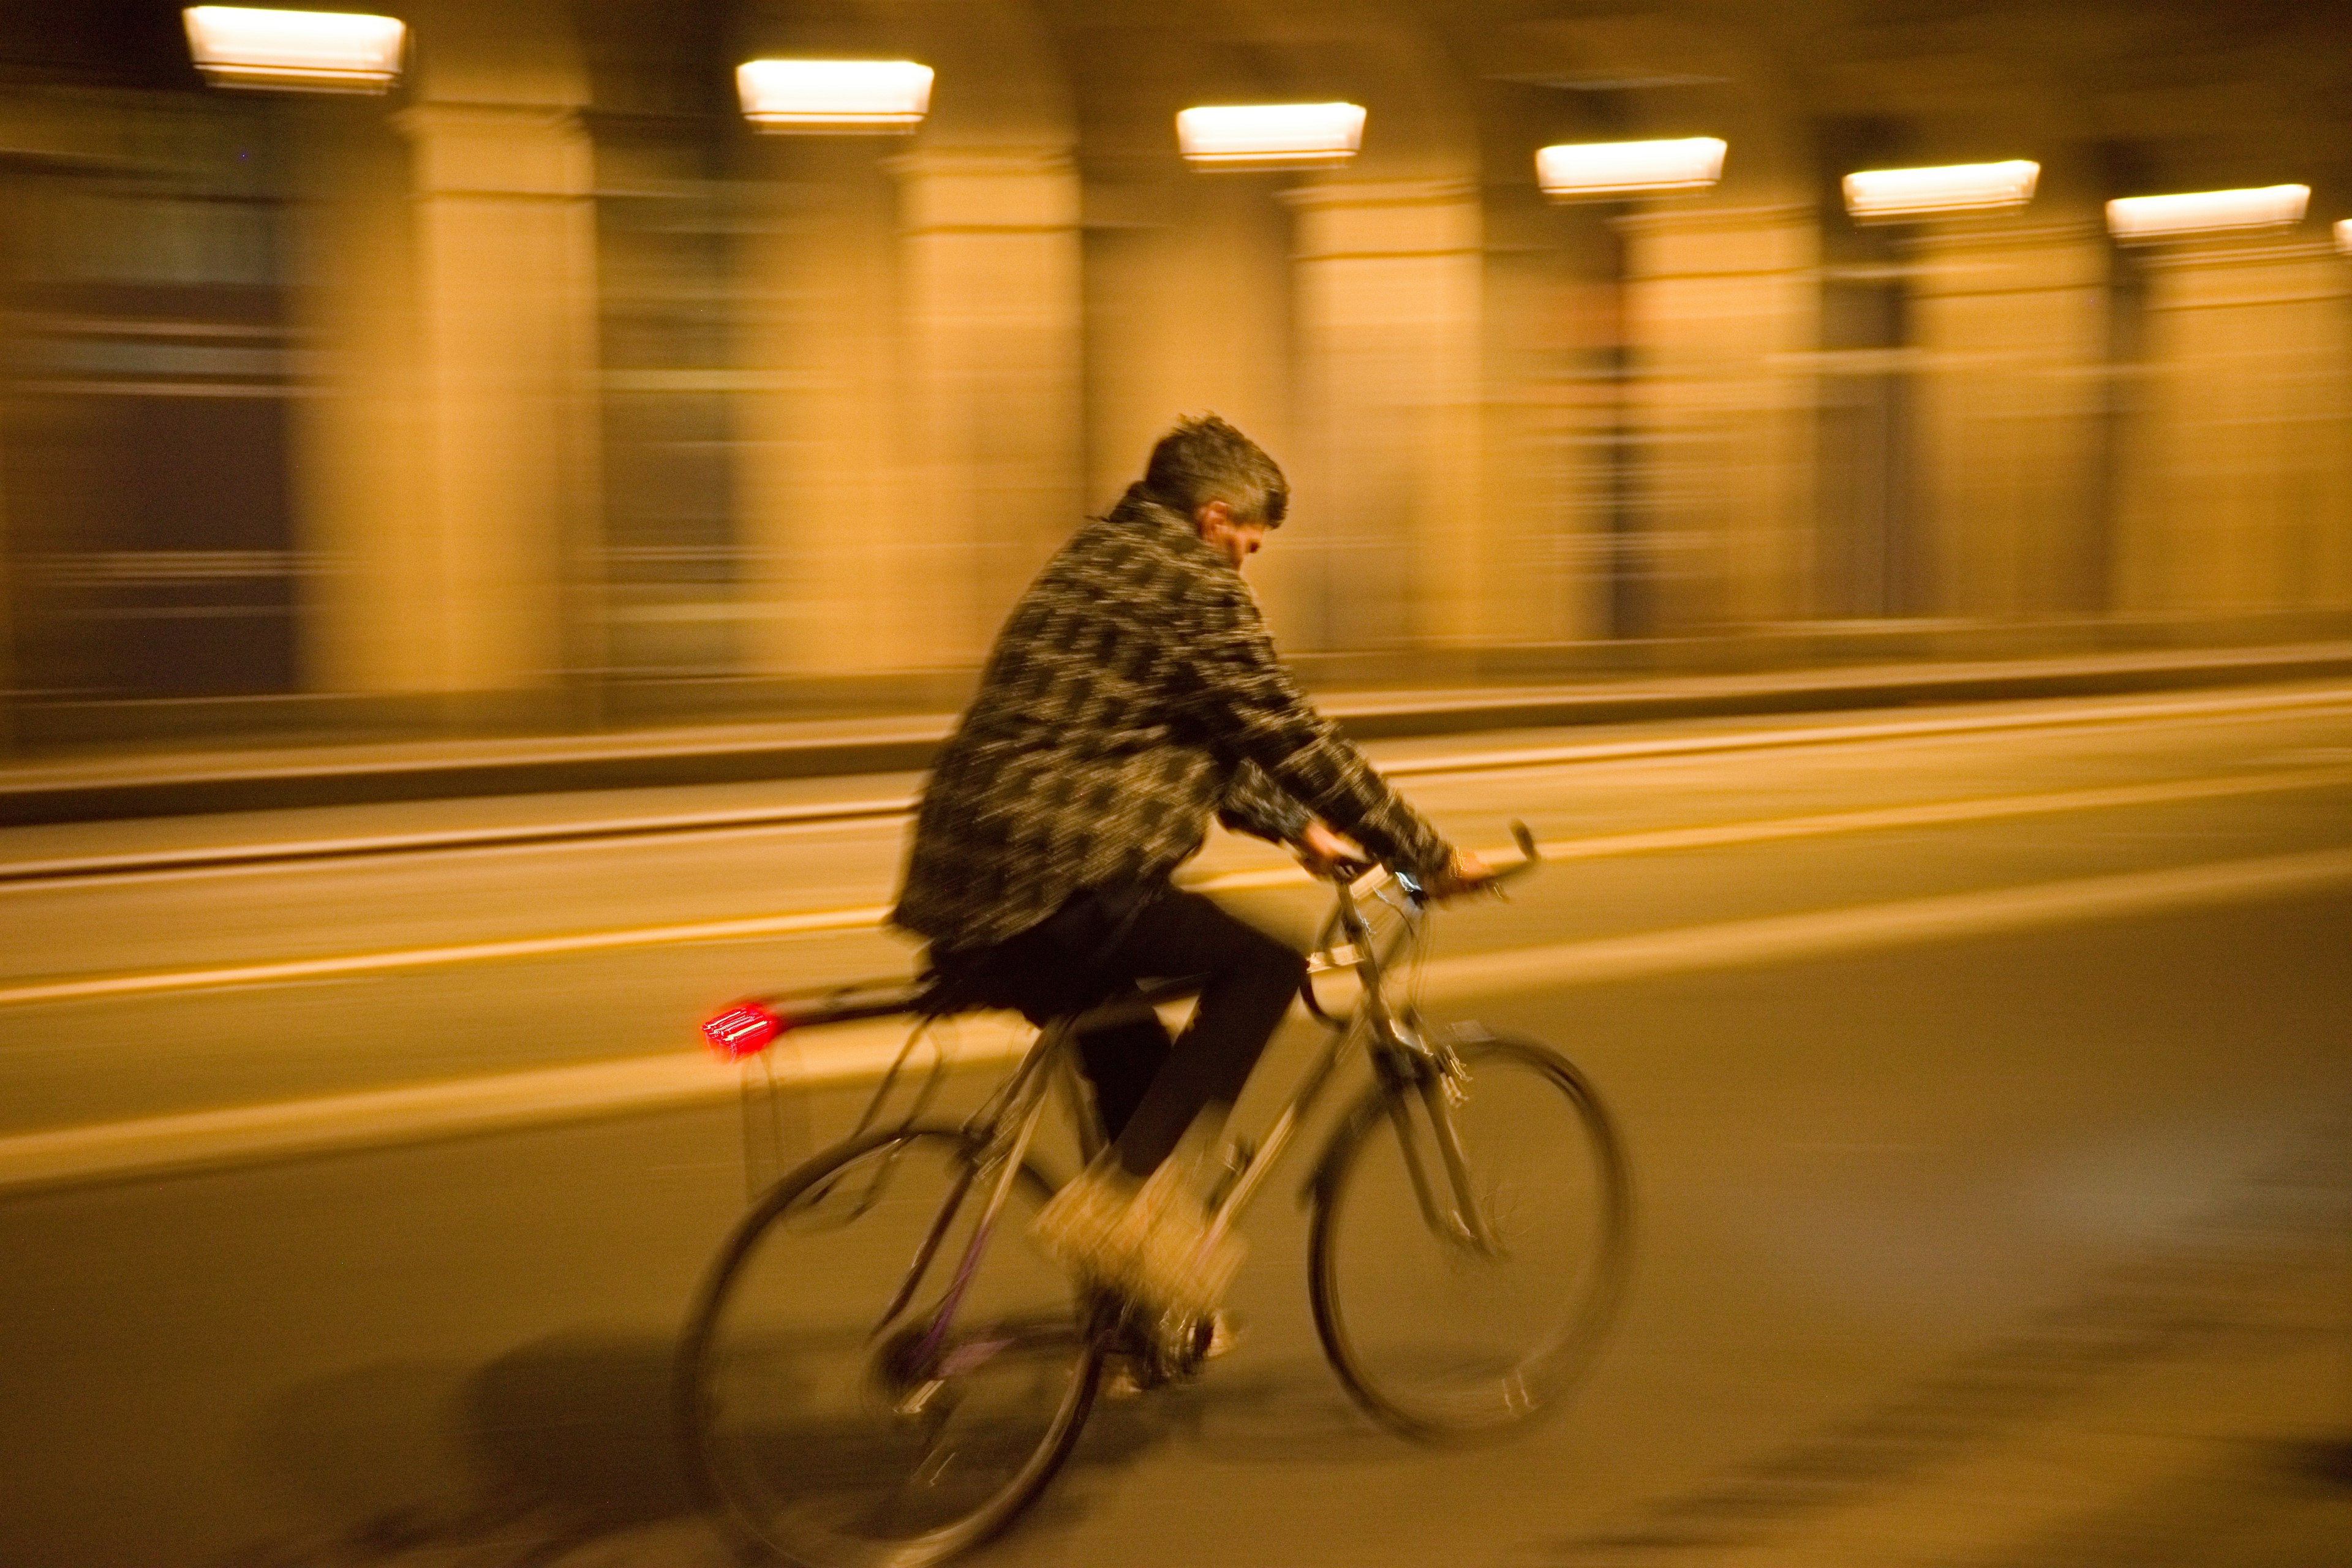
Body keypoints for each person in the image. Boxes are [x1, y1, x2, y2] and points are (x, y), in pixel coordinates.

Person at [891, 413, 1487, 1321]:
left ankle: (1133, 1323)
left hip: (967, 886)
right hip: (1054, 882)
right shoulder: (1192, 585)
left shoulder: (1094, 560)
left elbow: (1161, 724)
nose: (1245, 563)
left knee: (1136, 1063)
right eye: (1247, 545)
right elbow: (1285, 730)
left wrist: (1298, 830)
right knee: (1266, 965)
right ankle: (1119, 1215)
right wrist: (1427, 854)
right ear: (1213, 520)